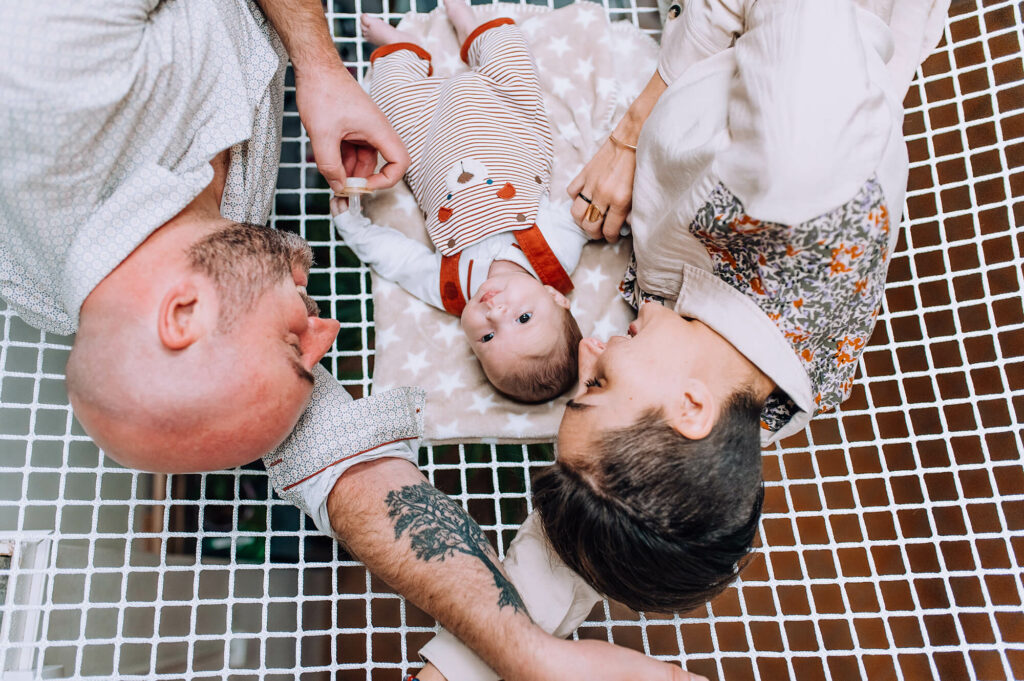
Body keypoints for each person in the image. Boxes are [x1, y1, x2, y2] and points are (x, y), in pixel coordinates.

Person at [0, 1, 701, 679]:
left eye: (292, 347)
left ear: (182, 314)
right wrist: (532, 655)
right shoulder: (192, 327)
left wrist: (318, 63)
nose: (325, 334)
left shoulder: (47, 81)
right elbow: (348, 471)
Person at [410, 0, 948, 677]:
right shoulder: (792, 175)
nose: (588, 351)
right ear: (690, 409)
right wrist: (633, 132)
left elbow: (582, 533)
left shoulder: (737, 404)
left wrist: (456, 667)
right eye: (599, 384)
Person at [332, 1, 585, 403]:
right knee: (515, 63)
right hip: (507, 122)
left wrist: (354, 226)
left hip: (429, 138)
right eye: (523, 318)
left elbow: (399, 261)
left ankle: (403, 49)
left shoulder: (453, 289)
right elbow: (585, 211)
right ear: (556, 299)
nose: (495, 313)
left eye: (487, 336)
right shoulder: (555, 257)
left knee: (388, 105)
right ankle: (472, 29)